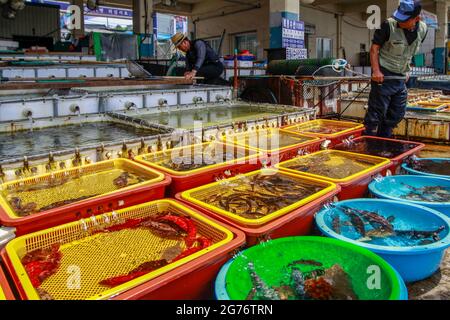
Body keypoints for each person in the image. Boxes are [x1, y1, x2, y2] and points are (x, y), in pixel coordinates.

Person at [364, 0, 427, 138]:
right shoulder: (388, 25)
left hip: (401, 77)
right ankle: (369, 140)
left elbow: (410, 52)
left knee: (396, 113)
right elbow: (374, 49)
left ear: (416, 19)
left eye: (404, 20)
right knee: (376, 113)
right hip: (383, 74)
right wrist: (376, 71)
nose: (399, 21)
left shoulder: (423, 29)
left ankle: (384, 139)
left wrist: (408, 70)